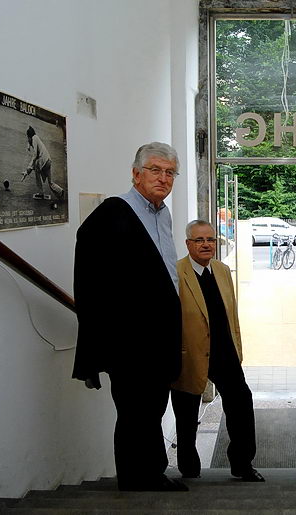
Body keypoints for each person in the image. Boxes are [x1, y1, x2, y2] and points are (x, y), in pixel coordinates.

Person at [72, 141, 186, 492]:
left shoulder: (162, 214)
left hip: (160, 336)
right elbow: (89, 279)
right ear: (136, 174)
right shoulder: (113, 213)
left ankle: (151, 472)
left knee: (153, 408)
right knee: (134, 411)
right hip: (129, 340)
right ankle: (136, 480)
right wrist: (97, 339)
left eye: (170, 173)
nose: (163, 178)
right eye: (155, 170)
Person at [170, 220, 264, 483]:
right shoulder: (176, 272)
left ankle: (242, 464)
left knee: (241, 403)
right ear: (188, 244)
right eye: (199, 240)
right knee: (186, 414)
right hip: (190, 354)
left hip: (224, 352)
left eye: (210, 239)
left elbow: (231, 313)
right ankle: (188, 467)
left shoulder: (222, 270)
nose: (206, 245)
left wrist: (238, 348)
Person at [23, 126, 64, 200]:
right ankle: (60, 191)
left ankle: (41, 192)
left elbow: (35, 155)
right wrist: (28, 145)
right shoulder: (36, 138)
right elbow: (29, 142)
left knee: (36, 169)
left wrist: (29, 167)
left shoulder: (34, 138)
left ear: (29, 136)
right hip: (48, 161)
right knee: (50, 182)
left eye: (28, 137)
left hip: (43, 162)